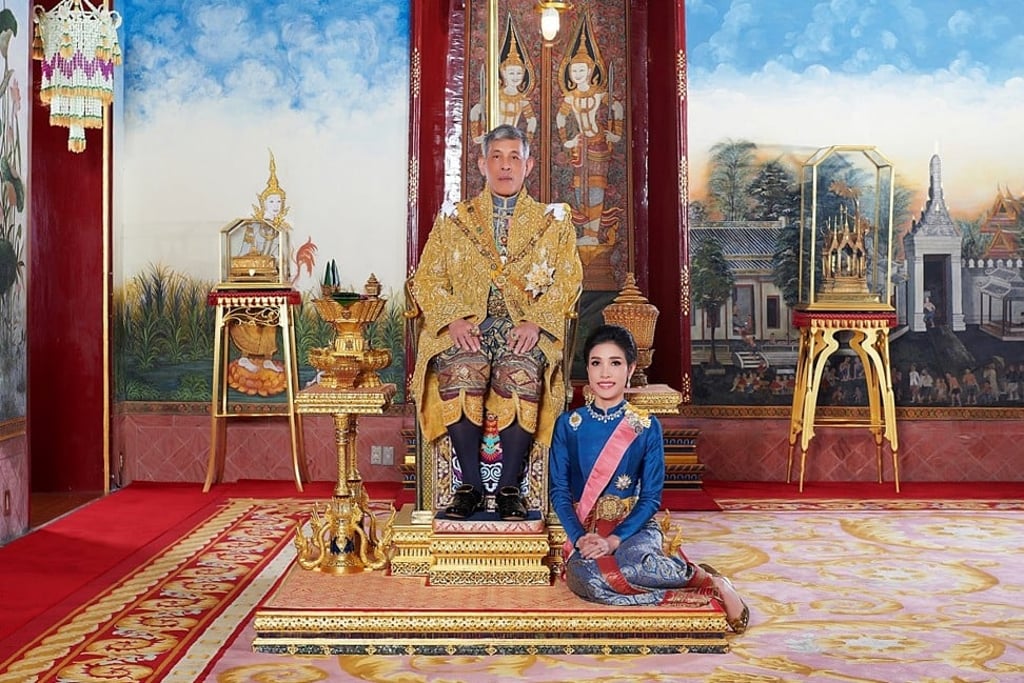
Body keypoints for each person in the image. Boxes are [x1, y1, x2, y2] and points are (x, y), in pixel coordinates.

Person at [411, 124, 583, 521]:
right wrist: (452, 318)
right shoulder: (455, 220)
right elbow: (427, 278)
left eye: (514, 157)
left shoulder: (552, 223)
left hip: (525, 328)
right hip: (468, 327)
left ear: (529, 165)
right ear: (481, 165)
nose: (505, 166)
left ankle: (509, 490)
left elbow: (569, 280)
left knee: (519, 370)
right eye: (496, 157)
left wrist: (537, 322)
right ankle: (468, 487)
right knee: (461, 367)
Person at [548, 324, 749, 633]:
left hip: (635, 527)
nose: (605, 373)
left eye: (615, 363)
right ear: (586, 369)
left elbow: (651, 498)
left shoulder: (645, 426)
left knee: (633, 566)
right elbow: (560, 491)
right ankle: (684, 595)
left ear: (629, 370)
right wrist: (579, 537)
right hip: (587, 528)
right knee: (588, 582)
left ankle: (712, 581)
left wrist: (615, 539)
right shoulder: (568, 425)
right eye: (596, 362)